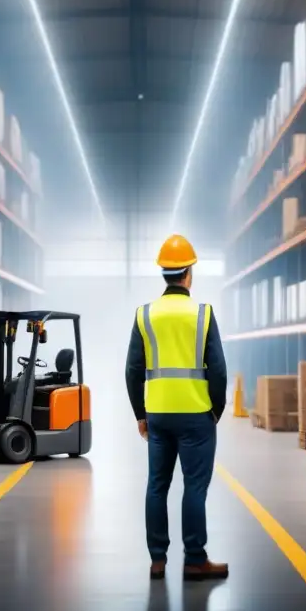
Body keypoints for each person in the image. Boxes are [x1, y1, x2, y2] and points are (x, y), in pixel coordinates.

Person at [125, 234, 229, 581]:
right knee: (194, 488)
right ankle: (195, 559)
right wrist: (216, 410)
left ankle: (157, 560)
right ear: (189, 274)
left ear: (165, 273)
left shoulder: (145, 315)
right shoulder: (202, 314)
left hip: (158, 416)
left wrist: (141, 415)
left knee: (157, 485)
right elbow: (218, 368)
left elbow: (132, 370)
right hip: (197, 415)